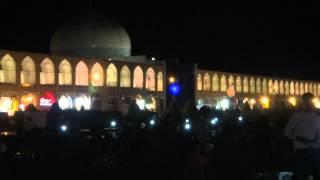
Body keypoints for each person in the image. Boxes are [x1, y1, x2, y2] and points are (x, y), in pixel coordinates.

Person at [284, 93, 320, 180]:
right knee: (301, 175)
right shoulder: (297, 116)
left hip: (313, 150)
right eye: (307, 101)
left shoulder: (317, 117)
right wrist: (299, 138)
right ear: (303, 102)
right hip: (300, 150)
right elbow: (286, 132)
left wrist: (316, 142)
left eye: (310, 100)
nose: (309, 103)